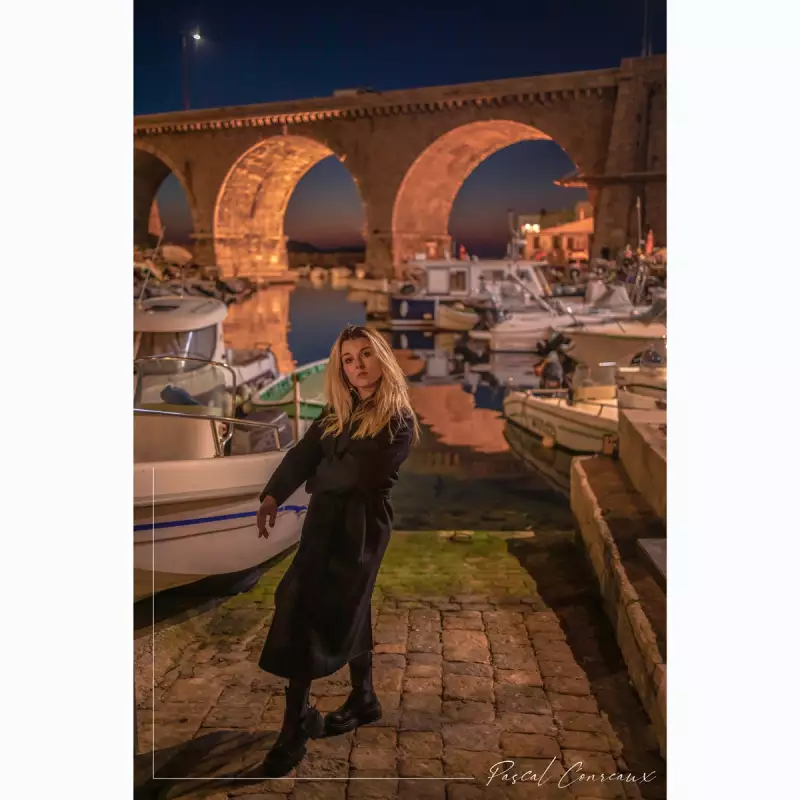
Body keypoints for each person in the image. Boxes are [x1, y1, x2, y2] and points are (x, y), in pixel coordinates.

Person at [254, 324, 419, 777]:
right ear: (340, 368)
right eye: (348, 358)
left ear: (381, 358)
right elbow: (306, 454)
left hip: (361, 526)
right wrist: (273, 496)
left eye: (365, 354)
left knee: (302, 603)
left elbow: (356, 477)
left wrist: (317, 478)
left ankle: (294, 727)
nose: (358, 365)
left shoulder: (396, 418)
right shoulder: (337, 409)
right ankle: (364, 698)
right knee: (351, 604)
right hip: (324, 521)